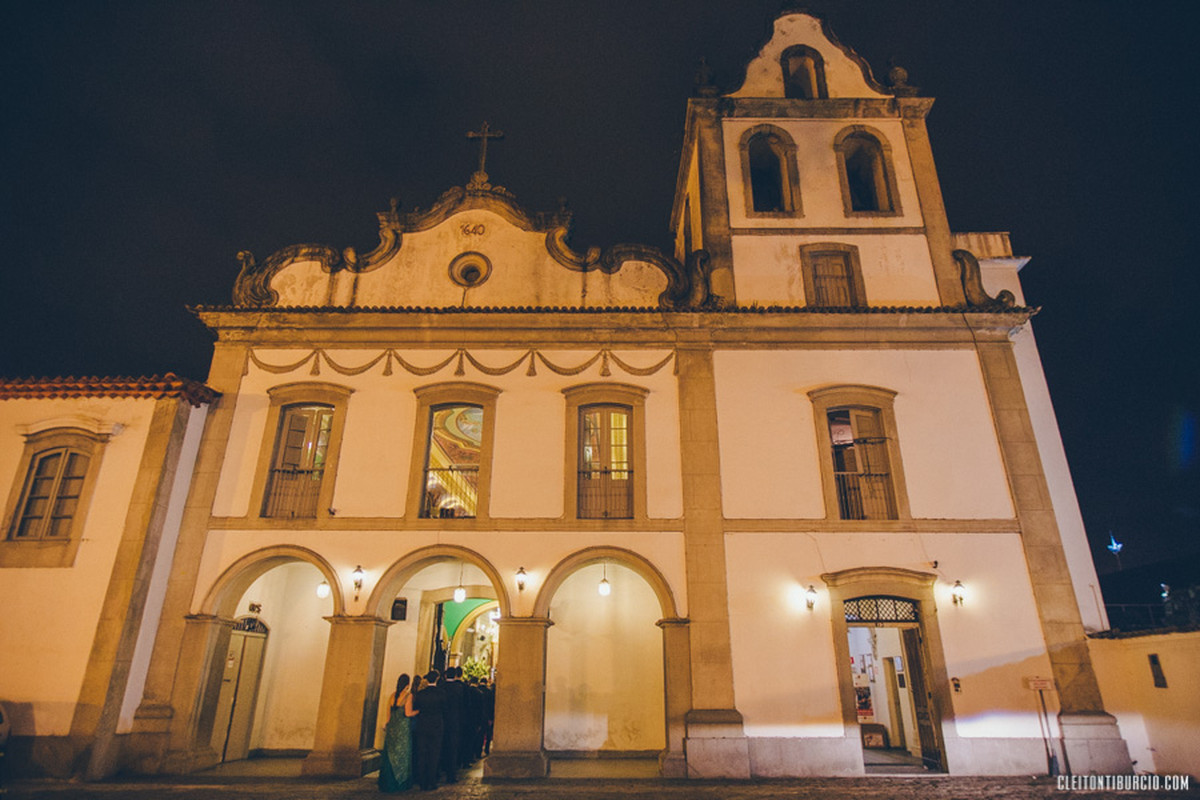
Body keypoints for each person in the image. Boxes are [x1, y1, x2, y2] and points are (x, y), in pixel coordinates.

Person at [379, 673, 418, 792]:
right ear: (407, 684)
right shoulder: (408, 696)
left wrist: (386, 725)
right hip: (403, 729)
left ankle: (388, 782)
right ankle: (401, 782)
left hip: (392, 728)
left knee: (390, 754)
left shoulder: (392, 696)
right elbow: (408, 713)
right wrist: (418, 711)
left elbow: (389, 715)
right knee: (403, 754)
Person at [413, 669, 446, 791]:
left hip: (422, 726)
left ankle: (423, 782)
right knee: (434, 754)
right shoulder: (441, 693)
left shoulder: (421, 694)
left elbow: (416, 708)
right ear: (437, 679)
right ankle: (432, 781)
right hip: (436, 726)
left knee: (422, 754)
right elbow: (445, 709)